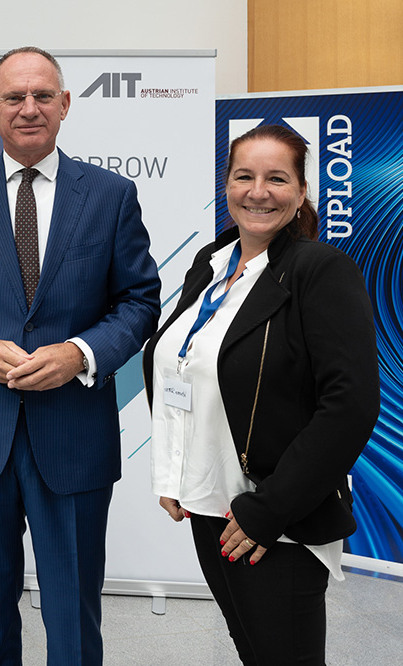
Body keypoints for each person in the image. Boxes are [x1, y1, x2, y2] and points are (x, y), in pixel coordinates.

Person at [0, 46, 161, 665]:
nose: (29, 108)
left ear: (65, 104)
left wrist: (81, 354)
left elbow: (140, 300)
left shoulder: (110, 195)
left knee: (73, 612)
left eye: (42, 96)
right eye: (14, 97)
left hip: (74, 435)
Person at [143, 124, 380, 665]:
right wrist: (175, 473)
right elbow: (182, 364)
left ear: (300, 192)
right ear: (226, 185)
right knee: (255, 651)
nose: (258, 191)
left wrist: (267, 510)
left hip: (275, 516)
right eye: (244, 176)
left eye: (277, 178)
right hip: (209, 508)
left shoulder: (320, 272)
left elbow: (351, 405)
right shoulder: (213, 260)